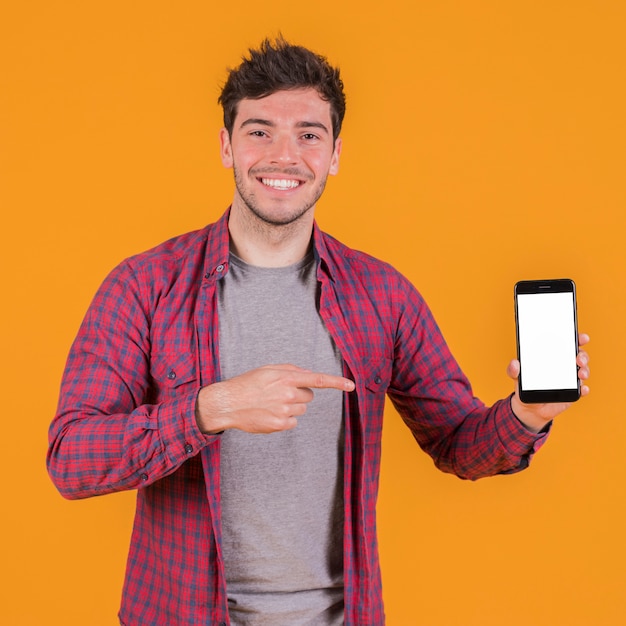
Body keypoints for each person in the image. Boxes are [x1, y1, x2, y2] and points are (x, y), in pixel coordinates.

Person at [47, 37, 590, 626]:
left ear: (334, 155)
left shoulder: (382, 295)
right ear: (226, 145)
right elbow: (71, 460)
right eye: (259, 131)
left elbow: (459, 444)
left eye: (309, 134)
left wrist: (530, 413)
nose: (285, 155)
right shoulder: (145, 286)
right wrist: (210, 408)